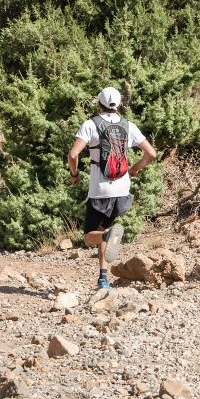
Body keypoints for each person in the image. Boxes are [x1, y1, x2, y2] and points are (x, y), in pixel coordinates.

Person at [67, 86, 156, 289]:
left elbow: (73, 155)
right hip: (122, 191)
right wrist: (134, 170)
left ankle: (107, 237)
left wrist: (74, 175)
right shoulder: (128, 125)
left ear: (99, 103)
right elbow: (151, 153)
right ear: (119, 104)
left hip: (100, 192)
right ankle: (103, 278)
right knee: (103, 230)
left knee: (90, 238)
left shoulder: (91, 124)